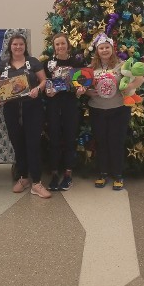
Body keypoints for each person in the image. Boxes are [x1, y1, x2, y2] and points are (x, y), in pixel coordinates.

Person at [79, 33, 144, 191]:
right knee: (101, 143)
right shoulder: (90, 68)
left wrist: (130, 86)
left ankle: (117, 175)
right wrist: (87, 92)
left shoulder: (122, 65)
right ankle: (102, 174)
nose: (104, 50)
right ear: (97, 50)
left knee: (116, 142)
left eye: (107, 47)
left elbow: (140, 78)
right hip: (97, 110)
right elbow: (82, 86)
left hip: (119, 110)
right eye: (101, 48)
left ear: (112, 48)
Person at [0, 33, 51, 199]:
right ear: (10, 47)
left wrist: (37, 89)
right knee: (18, 144)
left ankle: (37, 183)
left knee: (33, 145)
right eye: (15, 44)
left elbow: (44, 81)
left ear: (25, 47)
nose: (18, 47)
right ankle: (23, 178)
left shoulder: (33, 62)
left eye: (21, 45)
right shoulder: (3, 65)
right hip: (11, 110)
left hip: (32, 109)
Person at [44, 33, 84, 191]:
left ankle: (68, 174)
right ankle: (54, 173)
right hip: (53, 103)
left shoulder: (76, 61)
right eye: (57, 44)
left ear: (68, 45)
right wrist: (48, 91)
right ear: (54, 47)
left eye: (62, 43)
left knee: (69, 138)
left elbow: (82, 81)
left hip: (70, 103)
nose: (60, 46)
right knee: (53, 137)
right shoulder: (49, 63)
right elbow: (45, 82)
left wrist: (81, 89)